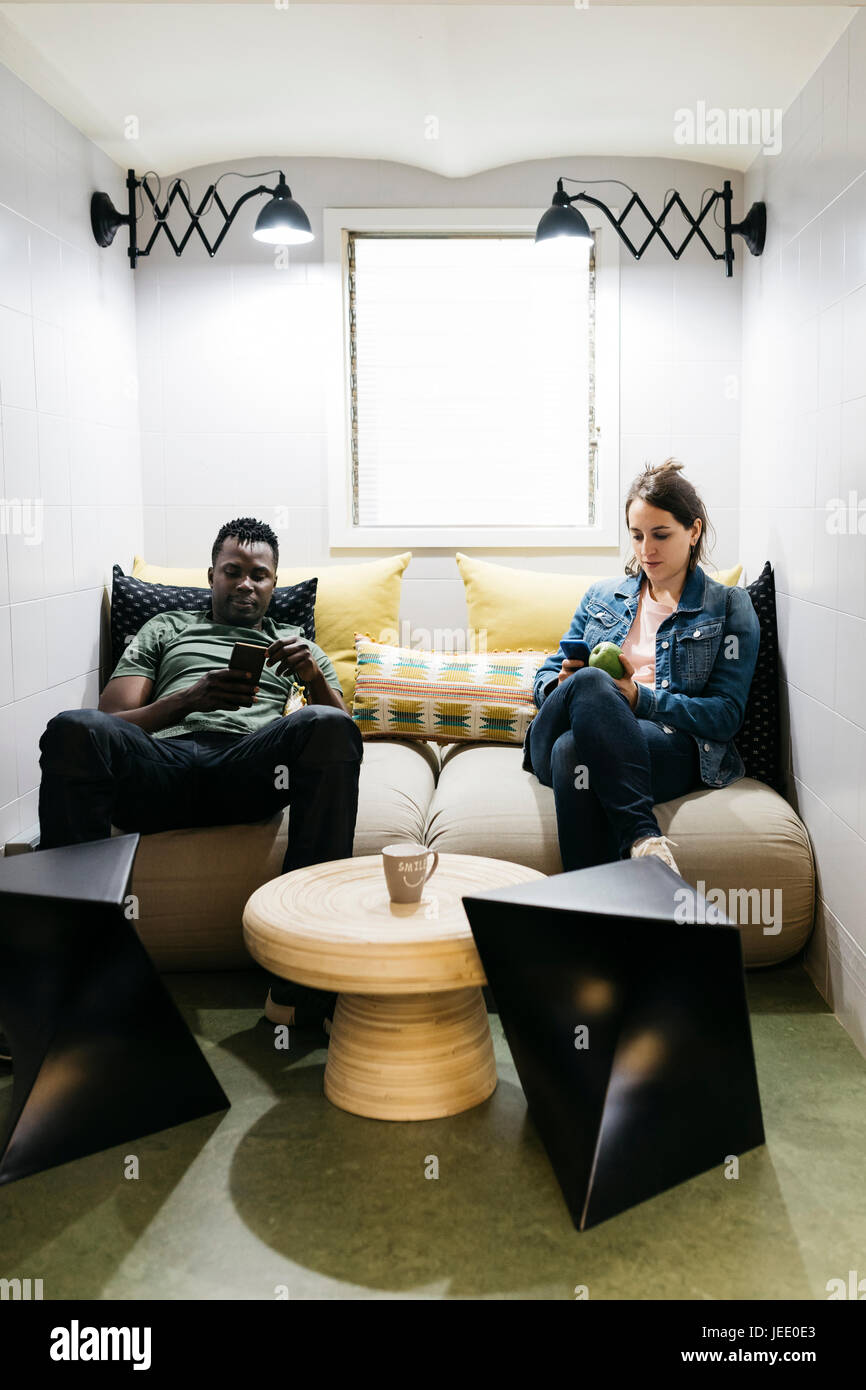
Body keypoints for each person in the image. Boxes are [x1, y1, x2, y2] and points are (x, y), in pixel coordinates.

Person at [36, 517, 362, 1035]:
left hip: (246, 770)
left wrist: (313, 677)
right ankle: (74, 984)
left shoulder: (296, 645)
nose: (245, 584)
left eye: (260, 575)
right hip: (158, 767)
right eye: (233, 571)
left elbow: (342, 732)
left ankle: (302, 992)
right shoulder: (166, 629)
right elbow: (110, 722)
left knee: (326, 724)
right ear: (212, 574)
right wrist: (188, 699)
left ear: (275, 584)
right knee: (74, 728)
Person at [525, 461, 760, 876]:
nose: (646, 549)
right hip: (561, 726)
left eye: (661, 535)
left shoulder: (727, 606)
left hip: (663, 745)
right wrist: (563, 683)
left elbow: (725, 716)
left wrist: (640, 698)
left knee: (573, 753)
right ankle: (643, 839)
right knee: (591, 681)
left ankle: (590, 918)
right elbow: (543, 678)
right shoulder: (601, 596)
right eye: (637, 536)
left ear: (694, 531)